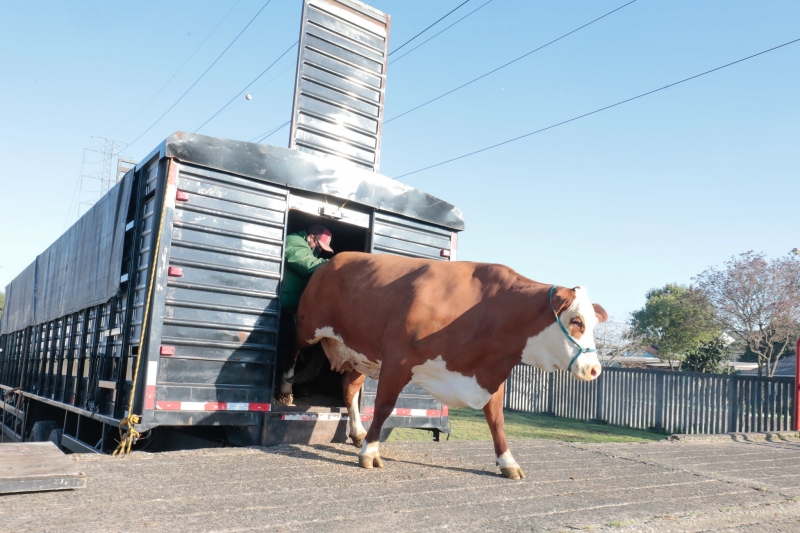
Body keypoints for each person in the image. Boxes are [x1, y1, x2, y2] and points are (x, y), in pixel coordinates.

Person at [275, 225, 334, 404]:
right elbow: (307, 265)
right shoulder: (293, 242)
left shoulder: (306, 246)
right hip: (279, 309)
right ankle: (273, 389)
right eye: (319, 247)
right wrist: (337, 265)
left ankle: (286, 388)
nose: (318, 252)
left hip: (290, 312)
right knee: (281, 349)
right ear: (311, 238)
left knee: (292, 350)